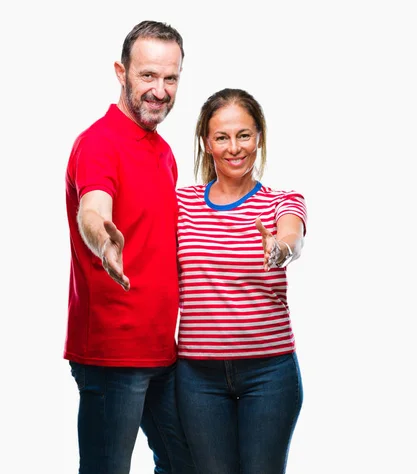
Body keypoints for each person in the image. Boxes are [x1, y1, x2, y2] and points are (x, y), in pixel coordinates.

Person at [64, 20, 196, 474]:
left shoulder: (162, 150)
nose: (160, 91)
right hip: (113, 354)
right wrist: (103, 239)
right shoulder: (99, 143)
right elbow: (93, 209)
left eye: (171, 78)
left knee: (187, 463)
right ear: (122, 73)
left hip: (163, 350)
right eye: (147, 76)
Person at [175, 88, 307, 473]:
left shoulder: (282, 201)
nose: (235, 148)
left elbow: (291, 237)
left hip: (270, 375)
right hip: (198, 378)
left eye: (244, 135)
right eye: (222, 137)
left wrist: (280, 250)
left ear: (259, 137)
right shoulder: (180, 204)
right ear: (207, 142)